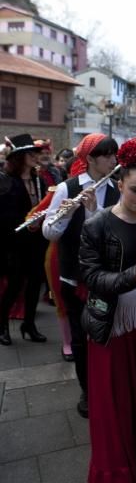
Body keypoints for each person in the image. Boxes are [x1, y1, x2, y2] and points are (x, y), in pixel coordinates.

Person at [79, 138, 136, 483]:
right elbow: (89, 275)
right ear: (120, 183)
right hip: (110, 328)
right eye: (135, 189)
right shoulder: (97, 224)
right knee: (111, 410)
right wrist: (129, 276)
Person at [42, 133, 119, 418]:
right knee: (79, 338)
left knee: (105, 334)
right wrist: (66, 211)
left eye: (114, 154)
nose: (114, 160)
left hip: (104, 277)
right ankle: (88, 391)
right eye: (107, 155)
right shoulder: (66, 188)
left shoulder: (116, 189)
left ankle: (106, 386)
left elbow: (115, 232)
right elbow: (49, 232)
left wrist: (94, 211)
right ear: (90, 159)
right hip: (74, 278)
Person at [0, 134, 48, 345]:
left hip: (37, 243)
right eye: (31, 154)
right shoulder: (8, 181)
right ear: (20, 157)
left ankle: (29, 324)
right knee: (14, 285)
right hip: (16, 244)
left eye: (35, 153)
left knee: (34, 285)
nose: (35, 157)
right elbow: (5, 215)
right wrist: (26, 223)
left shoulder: (39, 180)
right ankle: (2, 326)